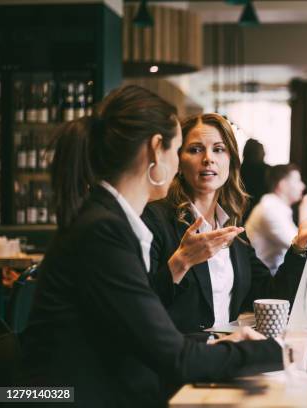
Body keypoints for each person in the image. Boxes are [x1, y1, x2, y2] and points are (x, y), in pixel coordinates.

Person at [21, 86, 282, 407]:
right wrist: (283, 351)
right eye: (179, 151)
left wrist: (217, 343)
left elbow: (146, 335)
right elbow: (176, 359)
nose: (181, 164)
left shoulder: (109, 220)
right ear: (157, 150)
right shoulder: (105, 231)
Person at [141, 113, 307, 335]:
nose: (208, 158)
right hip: (181, 359)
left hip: (227, 356)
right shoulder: (154, 219)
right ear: (179, 161)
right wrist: (181, 262)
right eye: (196, 149)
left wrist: (300, 245)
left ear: (231, 161)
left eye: (218, 149)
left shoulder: (233, 229)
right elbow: (139, 308)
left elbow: (272, 296)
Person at [245, 164, 307, 275]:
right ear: (283, 185)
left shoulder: (277, 207)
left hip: (274, 274)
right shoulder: (270, 209)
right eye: (298, 181)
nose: (303, 186)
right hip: (264, 281)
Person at [241, 138, 269, 222]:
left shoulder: (239, 170)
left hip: (243, 212)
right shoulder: (266, 170)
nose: (265, 153)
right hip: (261, 211)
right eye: (262, 151)